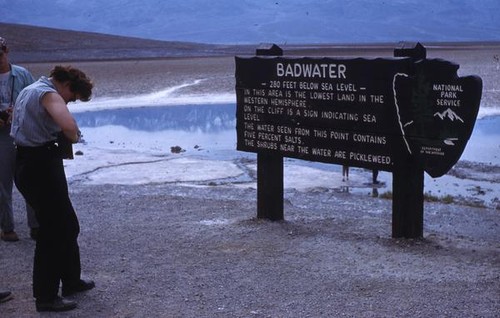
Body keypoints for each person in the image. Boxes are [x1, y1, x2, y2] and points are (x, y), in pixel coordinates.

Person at [10, 65, 95, 312]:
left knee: (67, 225)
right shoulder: (48, 94)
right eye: (72, 97)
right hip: (40, 165)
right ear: (67, 85)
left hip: (30, 163)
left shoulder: (30, 89)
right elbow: (69, 128)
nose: (68, 102)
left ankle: (70, 280)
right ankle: (46, 297)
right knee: (53, 232)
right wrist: (73, 133)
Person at [0, 36, 39, 242]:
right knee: (2, 184)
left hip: (23, 134)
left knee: (29, 180)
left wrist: (19, 112)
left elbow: (37, 99)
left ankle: (36, 226)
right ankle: (7, 228)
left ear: (6, 51)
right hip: (2, 137)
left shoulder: (22, 75)